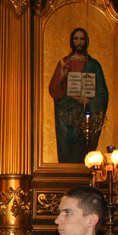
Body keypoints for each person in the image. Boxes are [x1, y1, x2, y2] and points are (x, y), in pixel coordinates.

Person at [48, 28, 108, 163]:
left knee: (84, 153)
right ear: (72, 41)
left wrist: (88, 101)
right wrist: (61, 76)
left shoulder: (94, 65)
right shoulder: (64, 63)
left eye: (82, 39)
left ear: (86, 41)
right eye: (76, 39)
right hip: (67, 119)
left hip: (86, 117)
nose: (79, 42)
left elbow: (103, 95)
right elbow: (54, 91)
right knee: (68, 154)